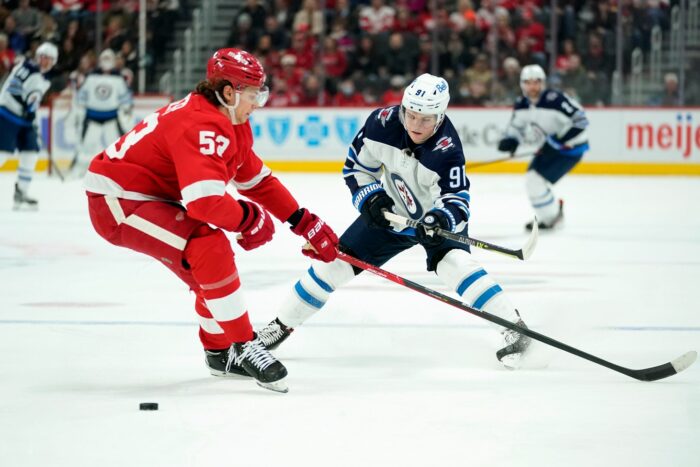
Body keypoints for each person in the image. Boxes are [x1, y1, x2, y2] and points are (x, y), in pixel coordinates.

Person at [83, 48, 339, 393]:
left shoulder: (229, 122)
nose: (258, 103)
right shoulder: (202, 124)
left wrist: (304, 222)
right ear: (229, 93)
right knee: (208, 246)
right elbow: (204, 203)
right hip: (117, 201)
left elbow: (257, 181)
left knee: (210, 265)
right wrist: (249, 219)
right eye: (253, 94)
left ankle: (221, 355)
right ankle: (244, 346)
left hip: (143, 196)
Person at [257, 73, 532, 369]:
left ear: (440, 116)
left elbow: (457, 201)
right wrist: (371, 199)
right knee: (333, 264)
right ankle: (280, 326)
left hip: (434, 222)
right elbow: (356, 168)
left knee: (455, 265)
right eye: (410, 115)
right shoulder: (382, 123)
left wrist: (439, 219)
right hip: (392, 214)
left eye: (425, 119)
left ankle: (515, 329)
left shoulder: (447, 151)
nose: (415, 125)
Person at [497, 64, 589, 230]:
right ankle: (550, 215)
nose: (532, 87)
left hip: (571, 149)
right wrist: (511, 140)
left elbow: (581, 121)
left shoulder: (556, 99)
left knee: (535, 180)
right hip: (549, 148)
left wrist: (558, 141)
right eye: (528, 82)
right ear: (522, 84)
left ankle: (551, 217)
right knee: (532, 180)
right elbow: (517, 126)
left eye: (536, 82)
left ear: (543, 83)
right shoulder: (521, 104)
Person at [0, 42, 58, 210]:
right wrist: (28, 106)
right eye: (43, 57)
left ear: (53, 61)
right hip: (7, 115)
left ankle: (21, 193)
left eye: (49, 59)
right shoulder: (28, 68)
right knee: (2, 154)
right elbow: (14, 90)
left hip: (24, 121)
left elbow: (31, 99)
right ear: (37, 57)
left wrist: (30, 110)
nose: (45, 61)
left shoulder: (42, 77)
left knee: (31, 152)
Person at [71, 49, 133, 177]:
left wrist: (126, 109)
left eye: (109, 59)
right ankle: (81, 173)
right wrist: (79, 109)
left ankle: (117, 173)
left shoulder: (118, 78)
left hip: (112, 117)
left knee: (116, 147)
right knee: (87, 146)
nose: (106, 62)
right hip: (92, 117)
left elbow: (125, 97)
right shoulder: (91, 76)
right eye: (104, 59)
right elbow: (81, 95)